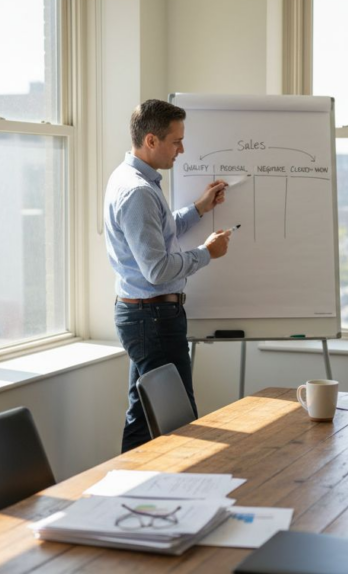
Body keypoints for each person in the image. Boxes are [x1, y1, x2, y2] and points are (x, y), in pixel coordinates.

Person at [104, 99, 232, 453]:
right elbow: (157, 269)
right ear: (151, 141)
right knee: (174, 422)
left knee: (145, 417)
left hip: (149, 315)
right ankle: (139, 490)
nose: (182, 149)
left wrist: (199, 209)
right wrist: (207, 253)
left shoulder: (134, 180)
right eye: (176, 141)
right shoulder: (139, 192)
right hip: (153, 317)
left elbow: (161, 232)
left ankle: (126, 490)